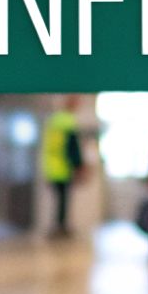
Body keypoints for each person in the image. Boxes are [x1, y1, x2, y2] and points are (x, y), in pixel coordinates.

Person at [41, 96, 86, 237]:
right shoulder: (67, 121)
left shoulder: (54, 120)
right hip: (62, 167)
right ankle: (61, 228)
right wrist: (79, 165)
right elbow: (72, 147)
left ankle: (59, 226)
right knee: (63, 200)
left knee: (59, 200)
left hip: (52, 167)